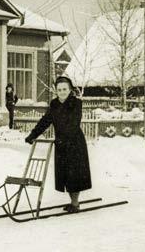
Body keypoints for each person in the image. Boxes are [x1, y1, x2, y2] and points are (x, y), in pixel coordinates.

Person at [24, 76, 92, 213]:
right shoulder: (54, 104)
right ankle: (73, 202)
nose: (62, 92)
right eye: (59, 89)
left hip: (75, 143)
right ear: (56, 90)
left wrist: (64, 139)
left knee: (75, 174)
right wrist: (32, 135)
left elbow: (74, 123)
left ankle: (75, 203)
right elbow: (45, 121)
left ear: (70, 89)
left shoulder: (76, 103)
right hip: (61, 143)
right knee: (65, 174)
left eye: (64, 89)